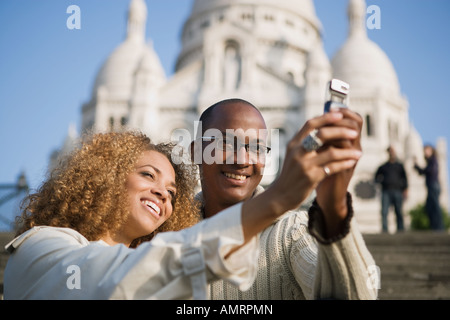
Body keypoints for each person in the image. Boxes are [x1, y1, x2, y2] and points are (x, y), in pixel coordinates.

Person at [4, 130, 335, 300]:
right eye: (148, 175)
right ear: (104, 176)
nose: (163, 193)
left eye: (173, 193)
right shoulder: (38, 249)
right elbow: (119, 280)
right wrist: (275, 200)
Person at [189, 98, 378, 300]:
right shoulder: (169, 229)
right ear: (196, 152)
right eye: (225, 142)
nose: (242, 160)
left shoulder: (290, 232)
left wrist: (334, 210)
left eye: (256, 148)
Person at [374, 146, 408, 233]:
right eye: (390, 152)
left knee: (399, 211)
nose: (392, 153)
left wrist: (405, 189)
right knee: (384, 211)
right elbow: (376, 177)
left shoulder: (399, 166)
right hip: (386, 191)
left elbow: (405, 178)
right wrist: (381, 182)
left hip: (397, 191)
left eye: (393, 151)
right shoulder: (383, 167)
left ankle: (400, 229)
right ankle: (384, 229)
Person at [414, 144, 445, 231]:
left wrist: (419, 168)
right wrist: (417, 167)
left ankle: (439, 228)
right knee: (429, 207)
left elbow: (428, 171)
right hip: (431, 186)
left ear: (431, 151)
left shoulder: (433, 160)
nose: (425, 152)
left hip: (433, 186)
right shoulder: (430, 161)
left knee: (435, 207)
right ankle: (435, 227)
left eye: (427, 150)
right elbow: (424, 171)